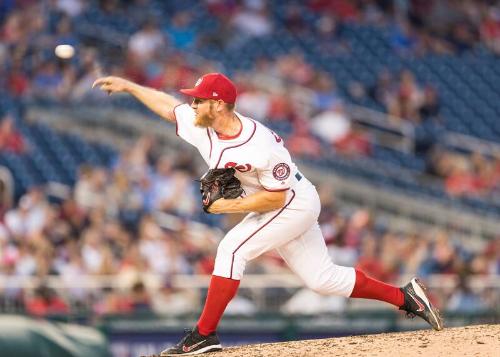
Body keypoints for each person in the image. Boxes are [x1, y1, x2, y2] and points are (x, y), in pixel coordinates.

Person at [93, 72, 443, 356]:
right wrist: (129, 86)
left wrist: (227, 206)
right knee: (321, 279)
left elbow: (276, 198)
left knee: (231, 249)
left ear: (217, 105)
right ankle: (406, 297)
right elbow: (168, 107)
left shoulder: (261, 144)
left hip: (294, 201)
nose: (192, 102)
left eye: (198, 98)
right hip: (280, 202)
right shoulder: (202, 124)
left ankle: (204, 334)